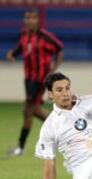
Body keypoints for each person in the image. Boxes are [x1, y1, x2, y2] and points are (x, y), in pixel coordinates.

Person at [6, 8, 63, 157]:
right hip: (28, 77)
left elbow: (59, 49)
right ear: (25, 20)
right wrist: (13, 54)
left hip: (40, 78)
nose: (30, 21)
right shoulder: (23, 35)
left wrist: (53, 69)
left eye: (33, 18)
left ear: (38, 20)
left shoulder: (45, 36)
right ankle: (61, 124)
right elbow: (21, 49)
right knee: (34, 110)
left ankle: (21, 146)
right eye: (27, 18)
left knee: (28, 110)